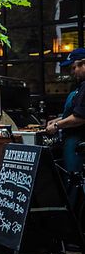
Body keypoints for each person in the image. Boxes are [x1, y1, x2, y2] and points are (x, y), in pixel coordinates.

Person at [46, 48, 85, 197]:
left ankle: (75, 219)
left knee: (75, 182)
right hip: (72, 142)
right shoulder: (81, 87)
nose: (73, 71)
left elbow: (80, 118)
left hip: (78, 143)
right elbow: (76, 112)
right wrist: (59, 119)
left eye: (75, 67)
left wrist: (57, 125)